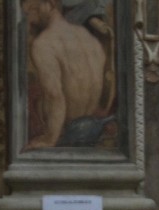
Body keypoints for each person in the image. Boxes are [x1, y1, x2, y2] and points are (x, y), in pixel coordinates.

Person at [21, 0, 109, 151]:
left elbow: (54, 96)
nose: (30, 20)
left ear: (50, 4)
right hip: (91, 127)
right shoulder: (90, 39)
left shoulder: (43, 44)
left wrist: (50, 138)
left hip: (67, 132)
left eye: (31, 11)